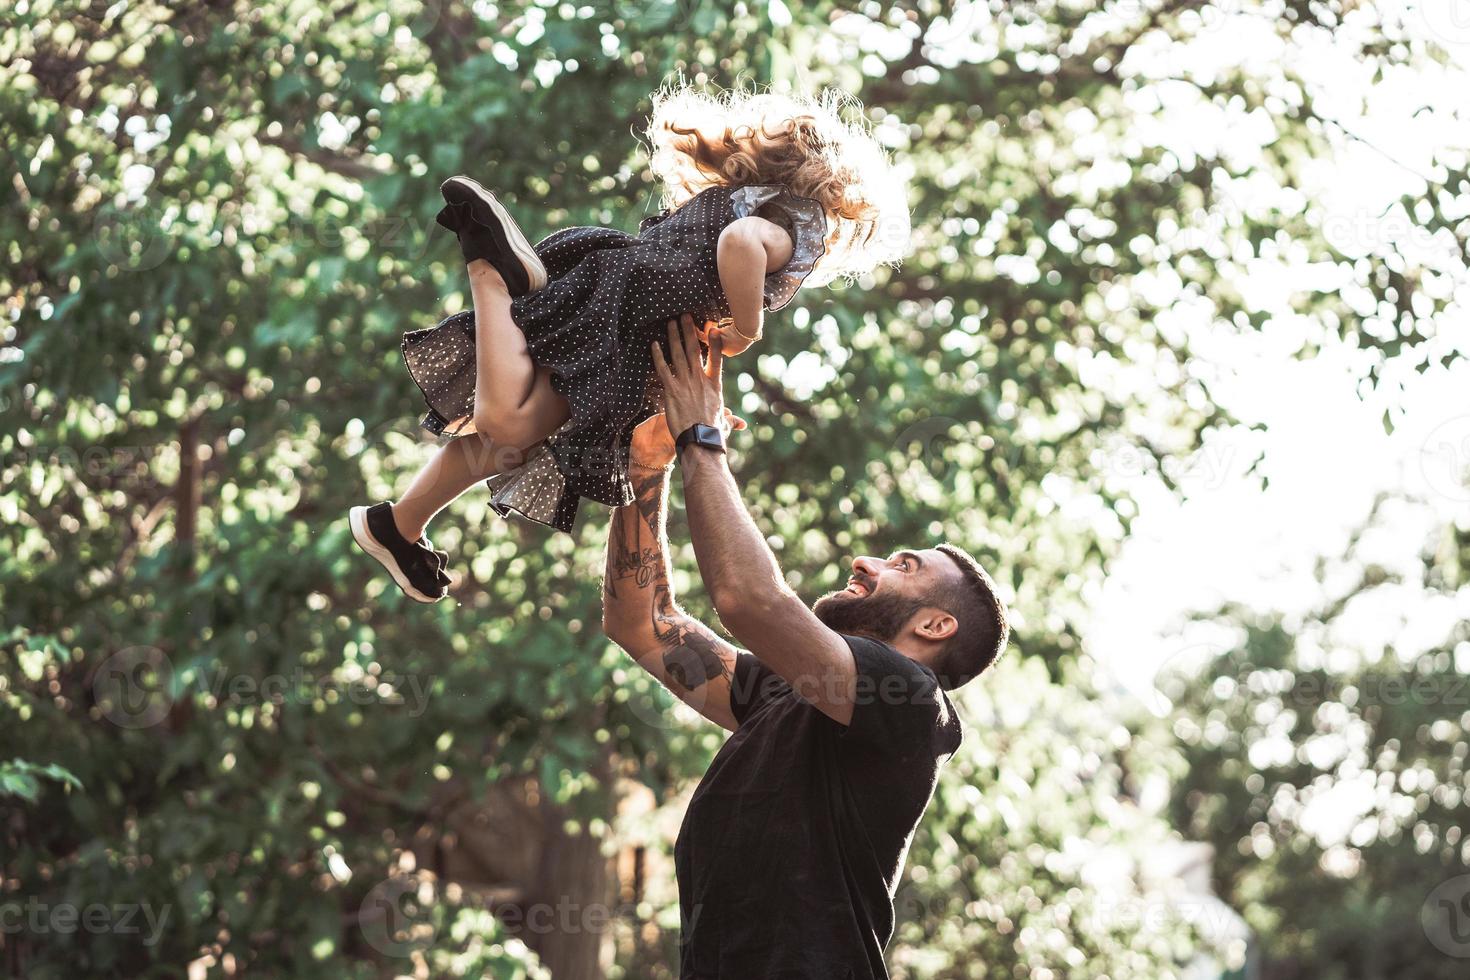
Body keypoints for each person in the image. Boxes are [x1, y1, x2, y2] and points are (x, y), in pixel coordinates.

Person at [349, 83, 909, 602]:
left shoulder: (741, 195)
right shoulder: (799, 224)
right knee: (510, 427)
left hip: (614, 290)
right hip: (627, 328)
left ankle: (397, 527)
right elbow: (741, 246)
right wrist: (746, 328)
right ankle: (491, 276)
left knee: (506, 446)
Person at [602, 316, 1010, 978]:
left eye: (904, 565)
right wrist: (644, 466)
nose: (866, 559)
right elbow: (642, 623)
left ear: (936, 625)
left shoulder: (910, 700)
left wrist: (700, 436)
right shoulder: (783, 698)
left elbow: (747, 600)